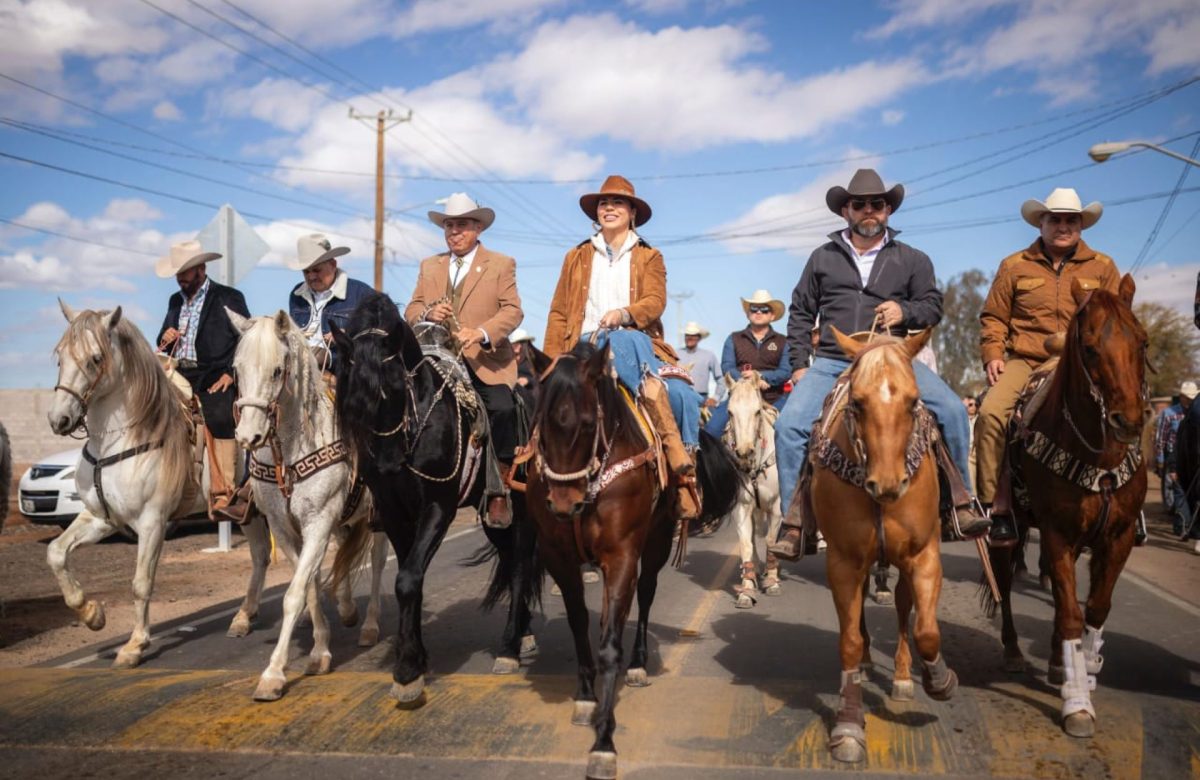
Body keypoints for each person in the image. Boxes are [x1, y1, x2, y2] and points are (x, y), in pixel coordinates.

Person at [770, 169, 989, 558]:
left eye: (877, 204)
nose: (869, 210)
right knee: (789, 426)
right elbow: (801, 313)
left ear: (888, 210)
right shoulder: (822, 258)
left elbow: (933, 306)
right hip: (834, 360)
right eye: (860, 204)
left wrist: (903, 311)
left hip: (893, 359)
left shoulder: (913, 259)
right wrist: (800, 364)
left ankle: (961, 503)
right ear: (846, 212)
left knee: (954, 411)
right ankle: (795, 522)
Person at [544, 174, 702, 520]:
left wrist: (625, 313)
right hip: (583, 346)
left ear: (632, 213)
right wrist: (552, 361)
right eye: (604, 203)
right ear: (596, 212)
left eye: (618, 203)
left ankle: (683, 478)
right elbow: (558, 311)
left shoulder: (649, 256)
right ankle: (531, 476)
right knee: (546, 403)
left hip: (637, 341)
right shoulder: (576, 256)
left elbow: (656, 301)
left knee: (684, 396)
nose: (609, 208)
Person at [976, 188, 1120, 543]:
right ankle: (997, 506)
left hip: (1082, 361)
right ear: (1040, 223)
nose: (1062, 226)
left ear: (1082, 225)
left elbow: (1118, 321)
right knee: (992, 414)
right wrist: (993, 354)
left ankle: (1124, 504)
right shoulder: (1014, 265)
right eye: (1054, 219)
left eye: (1071, 219)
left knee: (1122, 411)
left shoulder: (1102, 267)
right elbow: (993, 318)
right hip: (1026, 358)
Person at [405, 193, 523, 526]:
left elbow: (513, 310)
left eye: (461, 225)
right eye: (449, 225)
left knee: (502, 408)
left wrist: (483, 333)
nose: (454, 232)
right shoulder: (430, 265)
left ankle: (498, 488)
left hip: (484, 361)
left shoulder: (501, 263)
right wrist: (428, 311)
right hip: (434, 356)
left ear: (477, 228)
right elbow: (411, 309)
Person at [155, 240, 249, 514]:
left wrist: (232, 373)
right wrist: (166, 336)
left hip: (215, 373)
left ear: (201, 269)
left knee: (220, 415)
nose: (181, 278)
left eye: (186, 272)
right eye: (178, 273)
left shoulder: (228, 297)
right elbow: (162, 337)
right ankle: (169, 488)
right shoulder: (175, 300)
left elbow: (246, 338)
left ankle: (224, 494)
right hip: (180, 372)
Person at [704, 290, 792, 438]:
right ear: (748, 313)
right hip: (739, 398)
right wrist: (750, 381)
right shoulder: (734, 338)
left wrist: (762, 377)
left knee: (790, 433)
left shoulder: (783, 341)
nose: (758, 312)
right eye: (754, 308)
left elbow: (786, 370)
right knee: (711, 431)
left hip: (773, 398)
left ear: (772, 315)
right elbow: (727, 367)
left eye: (764, 309)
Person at [287, 233, 373, 374]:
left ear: (333, 265)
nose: (311, 276)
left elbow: (387, 328)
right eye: (306, 271)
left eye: (317, 270)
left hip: (343, 373)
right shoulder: (296, 294)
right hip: (299, 371)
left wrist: (350, 332)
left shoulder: (361, 293)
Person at [1155, 381, 1198, 536]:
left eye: (1193, 398)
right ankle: (1181, 524)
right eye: (1187, 397)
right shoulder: (1169, 414)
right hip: (1173, 457)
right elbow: (1161, 439)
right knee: (1178, 490)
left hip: (1191, 459)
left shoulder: (1195, 414)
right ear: (1181, 397)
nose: (1190, 400)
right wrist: (1161, 461)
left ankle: (1188, 524)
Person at [680, 321, 722, 407]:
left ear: (699, 338)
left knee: (713, 419)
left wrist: (715, 398)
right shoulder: (675, 354)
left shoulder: (709, 355)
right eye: (687, 335)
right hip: (680, 398)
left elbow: (721, 379)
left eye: (693, 335)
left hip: (701, 400)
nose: (689, 338)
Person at [510, 327, 538, 413]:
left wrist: (528, 381)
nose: (519, 347)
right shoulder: (506, 362)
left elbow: (542, 379)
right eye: (516, 343)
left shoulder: (533, 363)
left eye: (522, 343)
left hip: (529, 399)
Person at [964, 395, 979, 493]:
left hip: (979, 451)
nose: (973, 407)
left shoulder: (980, 419)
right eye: (970, 405)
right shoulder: (963, 420)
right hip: (968, 453)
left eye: (976, 405)